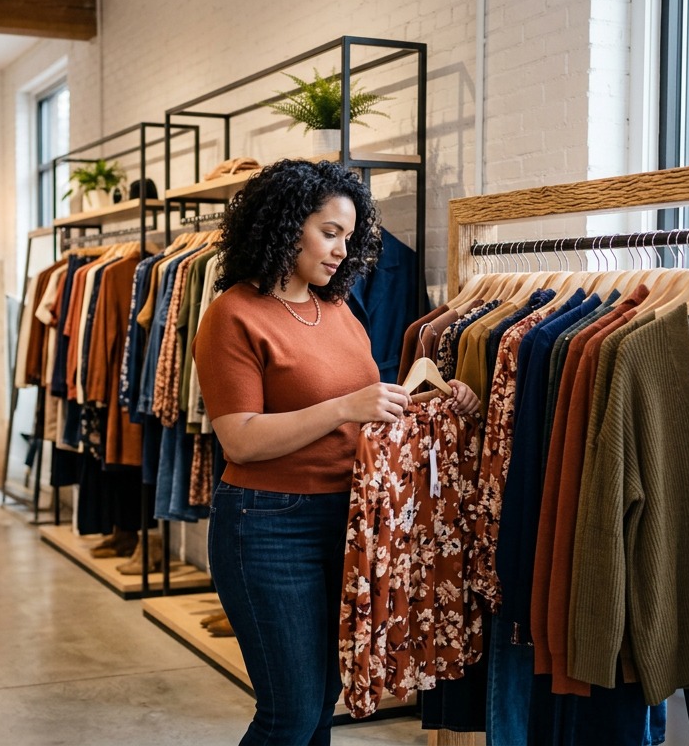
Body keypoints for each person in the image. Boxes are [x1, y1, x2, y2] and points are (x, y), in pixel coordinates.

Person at [192, 159, 480, 745]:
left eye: (349, 237)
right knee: (290, 713)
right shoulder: (232, 314)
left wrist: (444, 399)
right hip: (268, 525)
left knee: (323, 704)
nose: (342, 251)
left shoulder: (340, 308)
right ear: (285, 225)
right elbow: (240, 438)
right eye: (330, 233)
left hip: (349, 522)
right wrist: (345, 407)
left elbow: (373, 406)